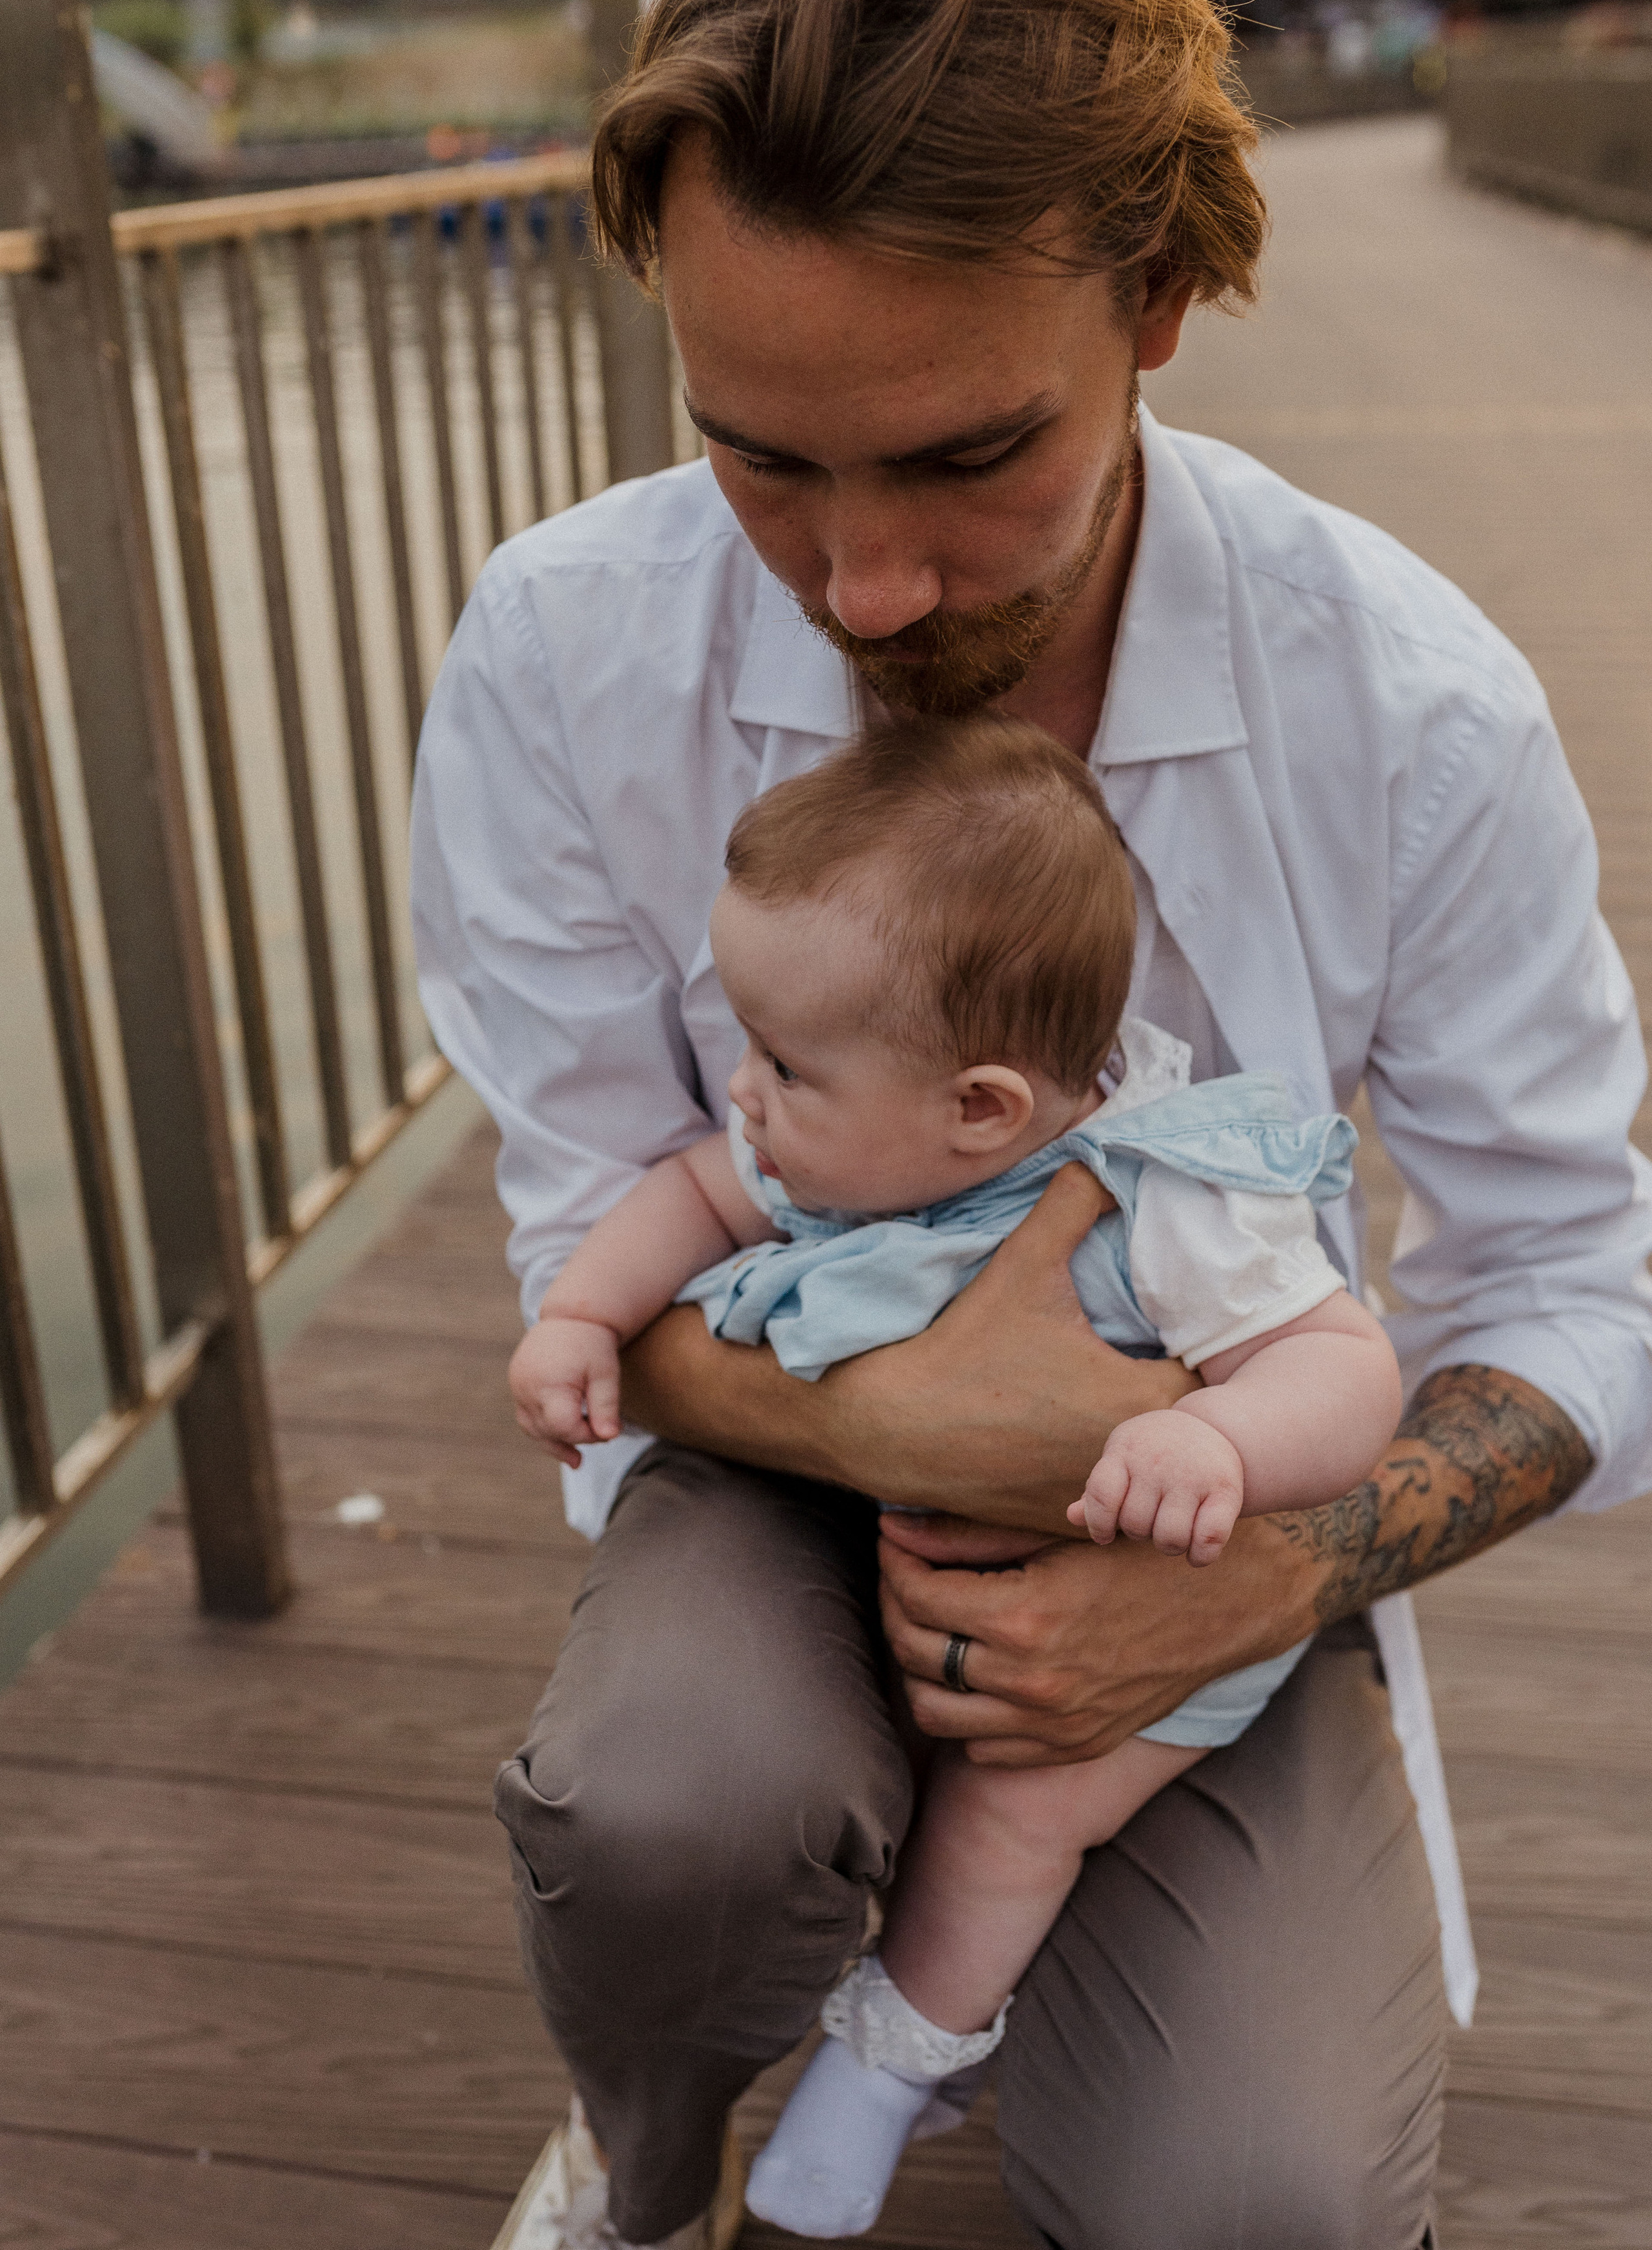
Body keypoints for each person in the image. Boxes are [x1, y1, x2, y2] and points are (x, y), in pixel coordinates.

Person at [410, 0, 1652, 2250]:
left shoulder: (1406, 705)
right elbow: (591, 1220)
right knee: (662, 1813)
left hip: (1220, 1539)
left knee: (1259, 2208)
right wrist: (916, 1411)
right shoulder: (562, 656)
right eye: (756, 459)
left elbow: (1586, 1289)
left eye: (978, 455)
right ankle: (658, 2159)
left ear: (1166, 294)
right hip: (765, 1483)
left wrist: (1285, 1566)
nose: (865, 583)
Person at [509, 714, 1404, 2239]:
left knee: (1009, 1816)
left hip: (1130, 1593)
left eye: (781, 1062)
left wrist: (1214, 1436)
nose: (739, 1092)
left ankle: (888, 2062)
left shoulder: (1164, 1198)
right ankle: (653, 2144)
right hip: (868, 1535)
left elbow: (1348, 1370)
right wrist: (584, 1314)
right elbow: (683, 1194)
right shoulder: (828, 1142)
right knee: (704, 1785)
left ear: (977, 1108)